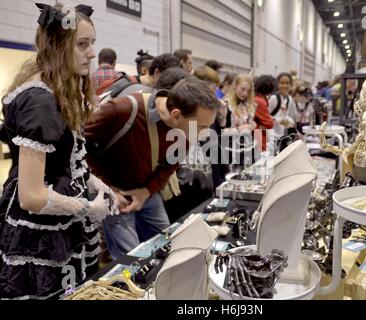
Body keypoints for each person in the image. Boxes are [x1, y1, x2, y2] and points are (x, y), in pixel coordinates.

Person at [0, 3, 118, 299]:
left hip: (62, 220)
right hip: (41, 230)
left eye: (92, 44)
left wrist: (95, 183)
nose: (91, 53)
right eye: (82, 44)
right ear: (57, 46)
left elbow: (67, 158)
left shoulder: (61, 88)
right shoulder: (41, 102)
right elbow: (31, 196)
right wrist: (87, 209)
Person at [85, 76, 220, 259]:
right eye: (202, 126)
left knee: (169, 248)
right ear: (176, 115)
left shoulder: (185, 130)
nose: (206, 133)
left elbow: (171, 165)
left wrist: (147, 191)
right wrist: (108, 188)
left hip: (147, 193)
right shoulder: (123, 110)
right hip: (115, 195)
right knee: (131, 262)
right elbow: (79, 147)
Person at [268, 72, 296, 141]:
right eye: (282, 83)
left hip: (282, 136)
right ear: (277, 84)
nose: (284, 86)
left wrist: (289, 121)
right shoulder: (273, 98)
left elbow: (287, 116)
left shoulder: (290, 99)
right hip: (271, 135)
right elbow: (266, 117)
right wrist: (280, 120)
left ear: (291, 85)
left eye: (287, 83)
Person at [254, 75, 276, 151]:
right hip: (258, 136)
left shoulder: (257, 98)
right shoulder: (260, 101)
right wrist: (271, 120)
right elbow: (269, 123)